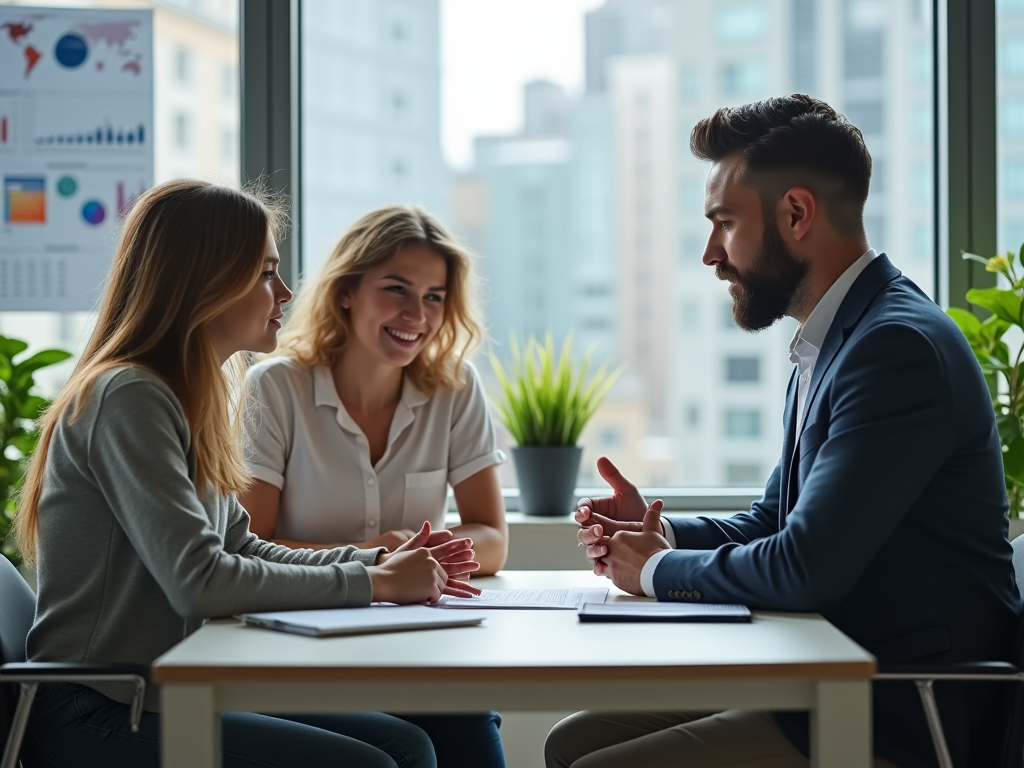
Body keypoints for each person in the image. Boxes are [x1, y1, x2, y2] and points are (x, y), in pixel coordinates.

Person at [546, 94, 1023, 768]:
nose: (711, 253)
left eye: (724, 224)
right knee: (571, 741)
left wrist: (653, 570)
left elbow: (804, 566)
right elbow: (777, 517)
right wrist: (663, 533)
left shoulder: (894, 350)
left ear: (796, 213)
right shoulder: (834, 341)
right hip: (829, 676)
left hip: (900, 708)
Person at [15, 180, 482, 768]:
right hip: (102, 708)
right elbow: (201, 582)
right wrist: (375, 585)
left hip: (167, 688)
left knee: (412, 740)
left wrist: (374, 563)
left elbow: (240, 544)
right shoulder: (128, 396)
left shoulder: (184, 396)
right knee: (376, 762)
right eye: (265, 273)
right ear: (202, 282)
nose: (284, 292)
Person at [238, 205, 508, 768]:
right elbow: (247, 542)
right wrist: (377, 560)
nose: (418, 314)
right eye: (397, 290)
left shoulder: (456, 389)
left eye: (435, 296)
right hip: (298, 646)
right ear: (345, 292)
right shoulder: (276, 387)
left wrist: (427, 549)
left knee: (464, 717)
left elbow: (491, 537)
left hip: (414, 646)